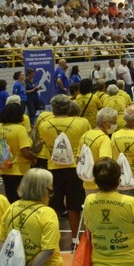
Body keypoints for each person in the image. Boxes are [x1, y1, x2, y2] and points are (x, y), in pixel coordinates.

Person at [39, 94, 92, 238]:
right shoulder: (82, 122)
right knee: (74, 205)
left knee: (54, 204)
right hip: (75, 168)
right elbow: (88, 142)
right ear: (68, 107)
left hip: (53, 168)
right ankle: (75, 238)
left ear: (53, 109)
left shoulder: (44, 124)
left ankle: (53, 237)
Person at [0, 103, 37, 203]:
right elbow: (25, 152)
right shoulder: (19, 129)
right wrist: (34, 157)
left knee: (11, 198)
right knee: (23, 199)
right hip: (20, 169)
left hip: (4, 168)